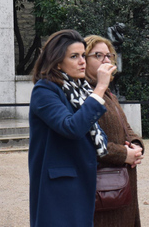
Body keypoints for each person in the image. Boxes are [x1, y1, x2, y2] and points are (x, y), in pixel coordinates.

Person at [28, 29, 116, 227]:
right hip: (59, 187)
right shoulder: (44, 90)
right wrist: (100, 88)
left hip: (82, 180)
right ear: (57, 61)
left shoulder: (80, 89)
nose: (82, 61)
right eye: (74, 56)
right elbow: (71, 128)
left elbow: (91, 131)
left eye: (83, 55)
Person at [84, 35, 144, 227]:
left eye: (109, 55)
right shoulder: (86, 94)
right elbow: (86, 140)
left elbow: (126, 127)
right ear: (84, 60)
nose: (106, 60)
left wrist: (135, 145)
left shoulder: (109, 93)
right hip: (104, 188)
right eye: (98, 55)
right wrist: (123, 154)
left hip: (122, 185)